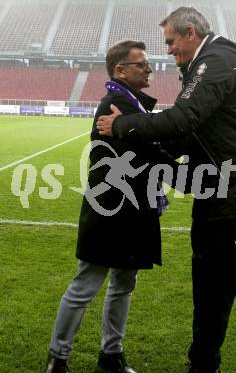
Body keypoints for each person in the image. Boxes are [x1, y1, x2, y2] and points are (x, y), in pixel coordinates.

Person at [96, 7, 236, 373]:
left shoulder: (217, 60)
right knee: (209, 292)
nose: (168, 50)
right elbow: (190, 135)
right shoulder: (200, 67)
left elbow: (183, 119)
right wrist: (156, 154)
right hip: (214, 197)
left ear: (190, 33)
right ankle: (202, 366)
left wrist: (124, 125)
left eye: (170, 41)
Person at [44, 40, 179, 373]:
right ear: (121, 71)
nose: (149, 68)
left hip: (131, 211)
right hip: (111, 211)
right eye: (142, 64)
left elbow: (153, 145)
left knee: (123, 284)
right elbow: (151, 151)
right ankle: (57, 359)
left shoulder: (132, 105)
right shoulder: (117, 104)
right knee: (87, 284)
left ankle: (111, 355)